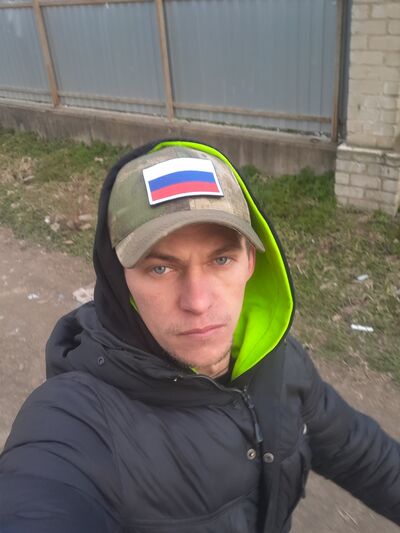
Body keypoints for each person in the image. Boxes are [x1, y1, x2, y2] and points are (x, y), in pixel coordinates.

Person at [0, 139, 399, 533]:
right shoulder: (78, 418)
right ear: (120, 281)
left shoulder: (279, 363)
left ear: (250, 262)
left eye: (221, 259)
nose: (198, 302)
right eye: (160, 268)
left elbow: (360, 453)